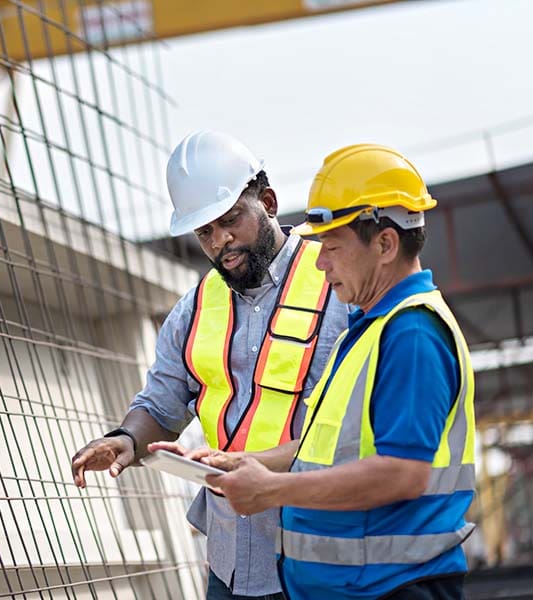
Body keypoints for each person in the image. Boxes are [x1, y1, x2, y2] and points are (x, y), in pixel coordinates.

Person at [71, 130, 351, 599]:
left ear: (268, 201)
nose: (222, 241)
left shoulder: (337, 284)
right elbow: (160, 407)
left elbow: (357, 431)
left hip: (320, 552)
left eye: (231, 220)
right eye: (205, 231)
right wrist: (125, 439)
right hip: (231, 558)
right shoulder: (195, 309)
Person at [203, 143, 476, 600]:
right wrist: (244, 463)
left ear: (385, 244)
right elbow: (326, 450)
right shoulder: (370, 328)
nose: (320, 261)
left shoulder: (411, 334)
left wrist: (272, 490)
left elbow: (402, 474)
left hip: (391, 588)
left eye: (331, 246)